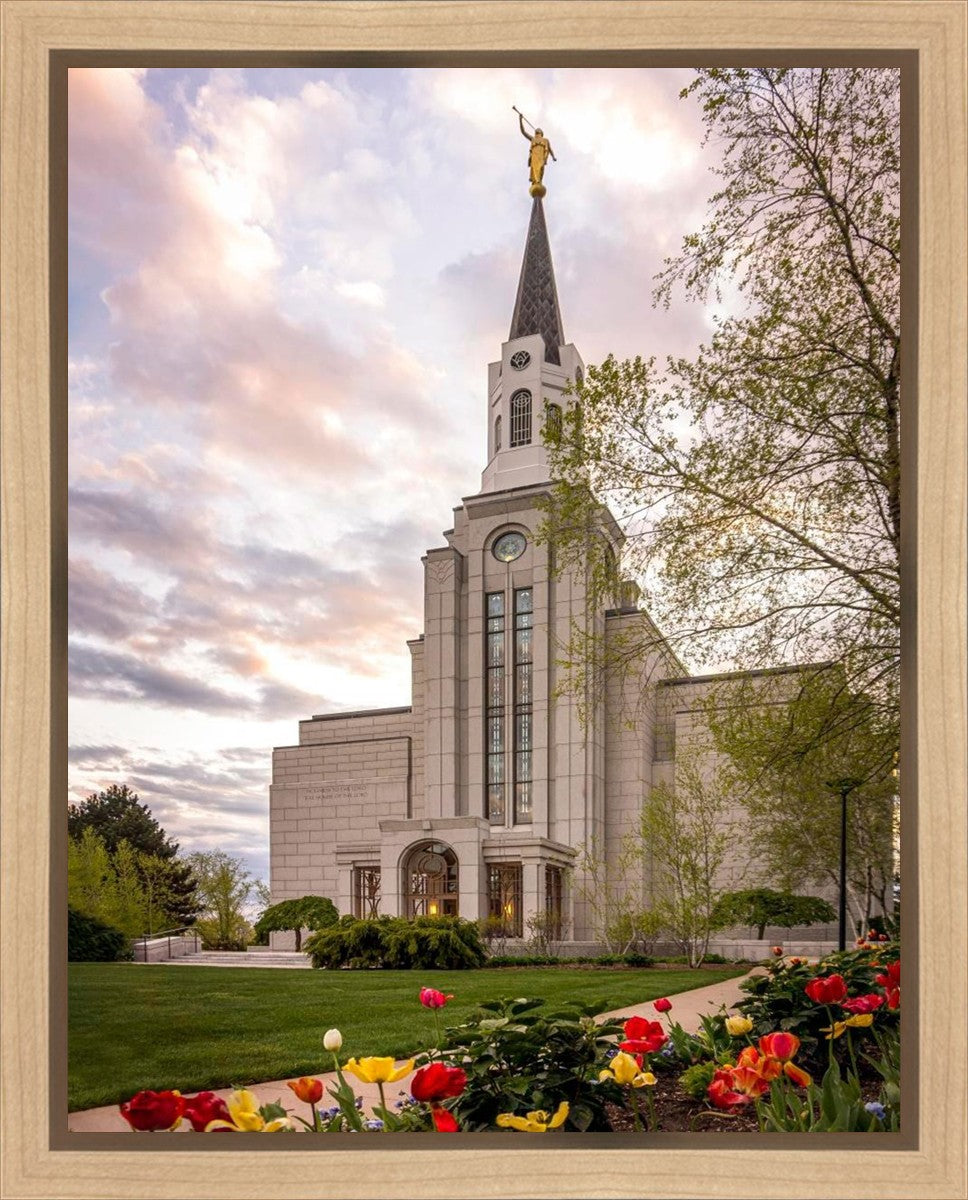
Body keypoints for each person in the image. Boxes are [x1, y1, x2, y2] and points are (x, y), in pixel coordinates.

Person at [518, 112, 556, 191]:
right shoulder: (533, 139)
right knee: (535, 170)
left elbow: (550, 149)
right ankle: (536, 182)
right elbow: (523, 132)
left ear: (541, 133)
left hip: (541, 157)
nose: (537, 130)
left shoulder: (545, 140)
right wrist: (520, 120)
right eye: (537, 130)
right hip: (534, 157)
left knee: (541, 168)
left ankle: (539, 182)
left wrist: (553, 156)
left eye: (539, 130)